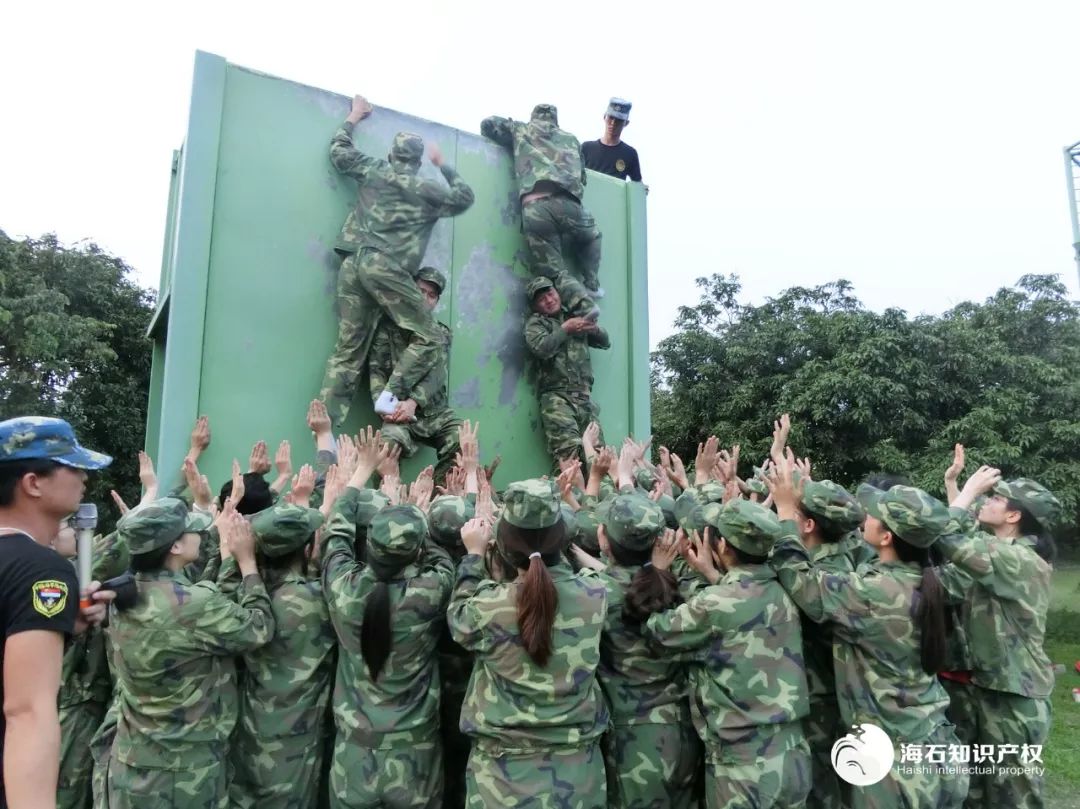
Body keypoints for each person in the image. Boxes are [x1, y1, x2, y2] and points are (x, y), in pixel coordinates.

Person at [768, 458, 968, 809]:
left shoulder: (871, 594)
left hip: (894, 762)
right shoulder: (935, 579)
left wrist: (786, 513)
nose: (864, 517)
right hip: (937, 742)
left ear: (888, 536)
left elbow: (800, 578)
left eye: (874, 514)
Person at [105, 500, 277, 808]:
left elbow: (197, 605)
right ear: (174, 547)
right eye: (194, 531)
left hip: (130, 760)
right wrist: (248, 565)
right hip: (184, 772)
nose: (201, 534)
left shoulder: (121, 597)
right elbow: (259, 628)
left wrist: (223, 554)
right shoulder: (195, 605)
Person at [448, 479, 609, 808]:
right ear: (562, 540)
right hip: (578, 774)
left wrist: (474, 556)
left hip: (501, 778)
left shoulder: (486, 608)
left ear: (503, 544)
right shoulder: (596, 595)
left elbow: (459, 618)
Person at [644, 499, 811, 809]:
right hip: (793, 754)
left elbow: (658, 632)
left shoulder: (714, 603)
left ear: (721, 545)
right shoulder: (786, 589)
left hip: (743, 767)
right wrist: (713, 577)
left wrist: (658, 572)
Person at [321, 94, 475, 428]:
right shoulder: (426, 189)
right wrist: (444, 165)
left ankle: (324, 429)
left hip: (354, 262)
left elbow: (338, 152)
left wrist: (354, 117)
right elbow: (465, 198)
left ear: (392, 155)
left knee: (349, 350)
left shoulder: (375, 170)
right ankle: (389, 397)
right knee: (430, 337)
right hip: (387, 269)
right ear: (418, 162)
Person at [320, 430, 454, 809]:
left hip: (353, 755)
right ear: (416, 551)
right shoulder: (431, 591)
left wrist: (360, 472)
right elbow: (441, 558)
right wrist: (414, 512)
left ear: (370, 548)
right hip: (415, 756)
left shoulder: (345, 591)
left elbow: (336, 535)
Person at [0, 416, 112, 809]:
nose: (84, 478)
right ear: (32, 483)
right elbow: (27, 711)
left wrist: (64, 623)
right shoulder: (40, 570)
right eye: (72, 467)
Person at [941, 466, 1059, 809]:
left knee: (1015, 796)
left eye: (995, 498)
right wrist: (954, 487)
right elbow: (962, 553)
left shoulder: (1019, 559)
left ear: (1014, 514)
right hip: (990, 687)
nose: (987, 500)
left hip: (1015, 697)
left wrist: (967, 494)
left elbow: (948, 538)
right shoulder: (997, 551)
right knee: (975, 791)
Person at [590, 490, 700, 809]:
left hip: (632, 741)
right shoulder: (680, 586)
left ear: (604, 539)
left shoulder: (594, 593)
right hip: (683, 730)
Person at [229, 499, 335, 809]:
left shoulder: (243, 597)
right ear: (305, 550)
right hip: (297, 742)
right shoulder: (318, 600)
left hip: (248, 733)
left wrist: (244, 563)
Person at [785, 480, 865, 809]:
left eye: (794, 514)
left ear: (808, 525)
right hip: (836, 693)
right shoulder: (847, 559)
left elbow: (788, 567)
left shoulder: (824, 573)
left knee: (821, 782)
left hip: (821, 696)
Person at [481, 104, 603, 294]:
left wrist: (514, 133)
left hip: (537, 208)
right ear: (555, 120)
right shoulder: (572, 139)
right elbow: (583, 177)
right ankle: (592, 283)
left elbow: (488, 125)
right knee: (593, 236)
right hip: (571, 207)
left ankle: (578, 304)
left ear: (534, 117)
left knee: (556, 275)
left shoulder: (521, 129)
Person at [368, 267, 461, 484]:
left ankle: (439, 498)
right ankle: (385, 506)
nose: (425, 298)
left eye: (432, 295)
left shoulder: (441, 333)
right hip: (397, 414)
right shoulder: (387, 329)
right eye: (421, 291)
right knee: (385, 449)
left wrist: (413, 402)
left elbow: (438, 374)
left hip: (434, 413)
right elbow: (377, 370)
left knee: (463, 441)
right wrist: (382, 405)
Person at [53, 517, 112, 809]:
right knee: (66, 792)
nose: (76, 533)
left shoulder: (71, 571)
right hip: (68, 706)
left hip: (74, 704)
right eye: (68, 527)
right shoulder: (57, 577)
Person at [523, 277, 610, 467]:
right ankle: (570, 496)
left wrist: (593, 329)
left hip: (585, 399)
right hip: (557, 398)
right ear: (535, 305)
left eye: (550, 293)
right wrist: (565, 329)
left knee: (599, 455)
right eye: (541, 299)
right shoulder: (536, 324)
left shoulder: (574, 316)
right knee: (569, 457)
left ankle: (597, 495)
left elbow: (605, 342)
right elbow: (541, 348)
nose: (549, 300)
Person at [581, 98, 642, 182]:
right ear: (604, 117)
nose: (613, 123)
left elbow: (637, 187)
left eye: (619, 120)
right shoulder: (586, 148)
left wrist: (642, 190)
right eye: (611, 118)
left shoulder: (630, 154)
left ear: (626, 123)